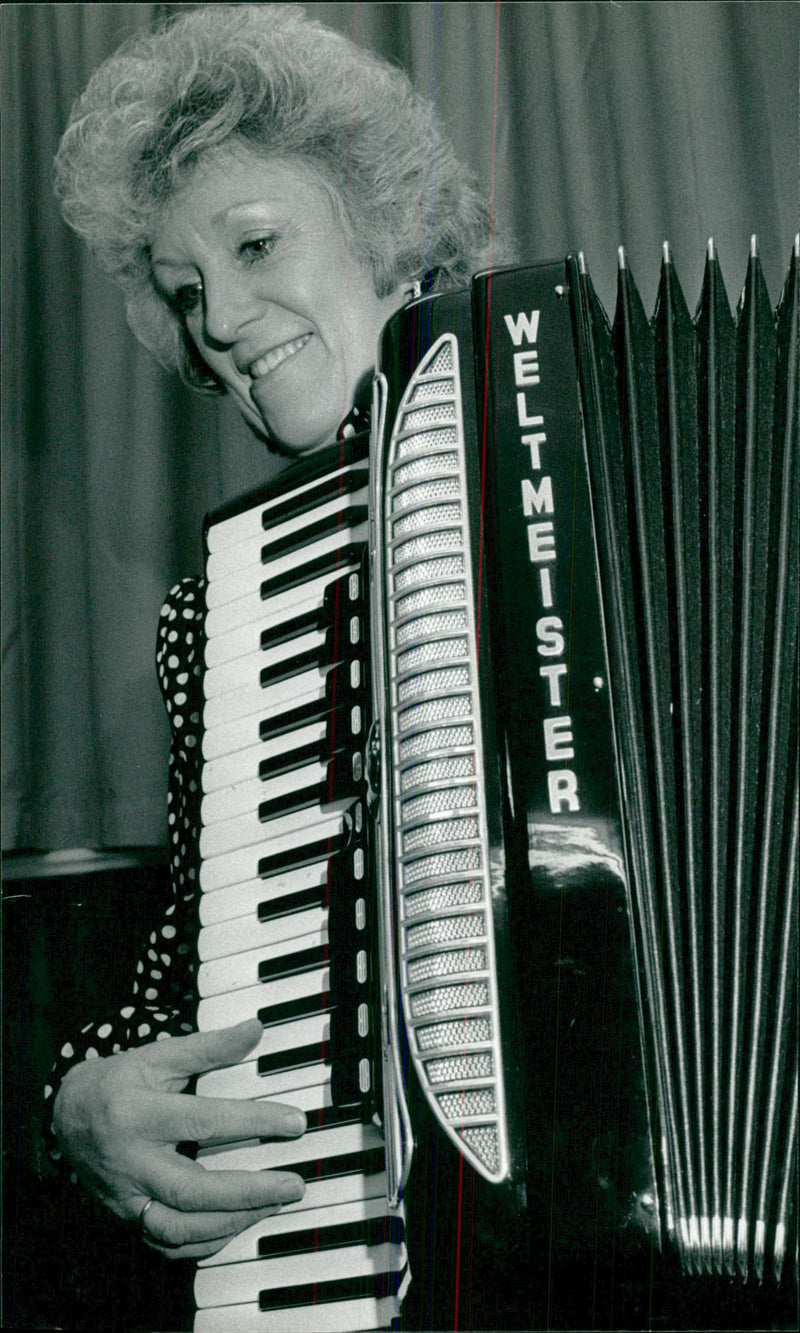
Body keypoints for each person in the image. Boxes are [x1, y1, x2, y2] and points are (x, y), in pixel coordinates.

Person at [46, 0, 510, 1281]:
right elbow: (197, 973)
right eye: (189, 295)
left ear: (382, 229)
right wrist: (75, 1100)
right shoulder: (228, 609)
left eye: (256, 245)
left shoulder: (592, 441)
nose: (223, 323)